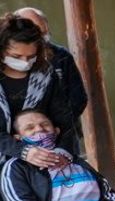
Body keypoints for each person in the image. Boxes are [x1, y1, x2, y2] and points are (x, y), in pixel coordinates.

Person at [0, 14, 79, 201]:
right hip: (7, 160)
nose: (25, 61)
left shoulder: (45, 75)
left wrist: (61, 153)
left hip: (48, 154)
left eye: (31, 56)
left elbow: (63, 117)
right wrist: (23, 152)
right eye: (16, 56)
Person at [14, 7, 88, 137]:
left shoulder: (61, 55)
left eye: (44, 33)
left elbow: (78, 98)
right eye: (35, 33)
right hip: (19, 135)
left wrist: (53, 126)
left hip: (62, 131)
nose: (42, 38)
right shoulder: (8, 61)